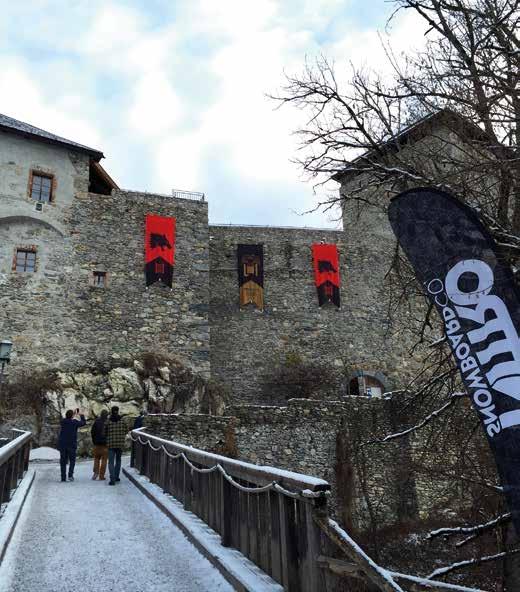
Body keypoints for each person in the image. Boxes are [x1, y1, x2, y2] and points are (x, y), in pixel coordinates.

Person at [58, 409, 86, 482]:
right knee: (72, 460)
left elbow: (66, 419)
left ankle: (63, 477)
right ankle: (70, 475)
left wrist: (72, 414)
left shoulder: (63, 422)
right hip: (72, 444)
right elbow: (83, 423)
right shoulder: (74, 422)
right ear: (72, 416)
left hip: (63, 444)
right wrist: (81, 415)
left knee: (63, 461)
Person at [105, 406, 127, 486]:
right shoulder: (122, 421)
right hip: (120, 444)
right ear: (118, 411)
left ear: (111, 411)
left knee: (111, 462)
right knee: (118, 460)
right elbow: (126, 430)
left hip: (111, 444)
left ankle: (112, 479)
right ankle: (117, 476)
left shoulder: (108, 421)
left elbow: (104, 432)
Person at [91, 409, 109, 480]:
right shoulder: (108, 422)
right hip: (105, 444)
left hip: (97, 444)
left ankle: (96, 473)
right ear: (107, 415)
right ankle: (101, 476)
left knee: (96, 458)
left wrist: (94, 441)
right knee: (104, 460)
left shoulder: (96, 421)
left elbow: (92, 432)